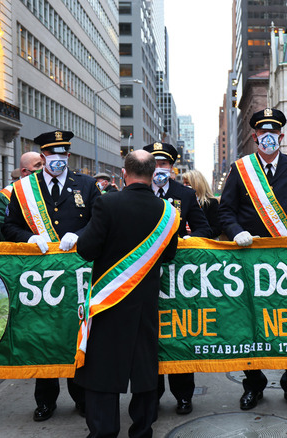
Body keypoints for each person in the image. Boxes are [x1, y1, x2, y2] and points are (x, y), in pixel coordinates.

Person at [219, 107, 287, 411]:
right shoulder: (241, 169)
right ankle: (253, 382)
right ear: (254, 137)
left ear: (281, 135)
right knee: (250, 322)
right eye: (262, 133)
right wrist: (235, 231)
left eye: (273, 132)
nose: (268, 137)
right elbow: (225, 210)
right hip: (250, 259)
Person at [74, 150, 179, 437]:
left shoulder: (107, 203)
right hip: (145, 301)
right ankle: (142, 429)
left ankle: (104, 431)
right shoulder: (169, 212)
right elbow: (168, 255)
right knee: (144, 366)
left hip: (109, 300)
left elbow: (86, 250)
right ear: (152, 173)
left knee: (102, 368)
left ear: (124, 173)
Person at [2, 130, 99, 421]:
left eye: (63, 154)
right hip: (39, 279)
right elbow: (9, 227)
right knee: (42, 336)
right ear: (42, 157)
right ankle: (45, 401)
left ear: (68, 156)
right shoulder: (24, 188)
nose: (57, 159)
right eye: (51, 154)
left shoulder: (86, 184)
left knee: (75, 335)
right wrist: (29, 238)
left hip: (77, 276)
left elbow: (99, 221)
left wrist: (79, 235)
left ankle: (81, 398)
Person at [143, 142, 212, 415]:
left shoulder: (185, 193)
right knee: (151, 337)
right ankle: (152, 395)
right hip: (144, 275)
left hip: (179, 276)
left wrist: (186, 239)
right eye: (155, 164)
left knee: (180, 334)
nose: (160, 169)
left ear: (172, 167)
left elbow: (204, 228)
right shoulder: (138, 190)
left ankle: (184, 395)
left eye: (165, 164)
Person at [0, 152, 43, 234]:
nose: (43, 168)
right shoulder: (6, 195)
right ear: (24, 171)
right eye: (38, 165)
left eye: (44, 164)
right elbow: (1, 228)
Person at [182, 169, 222, 238]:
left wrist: (197, 234)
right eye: (184, 183)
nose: (184, 186)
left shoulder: (211, 203)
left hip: (204, 244)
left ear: (196, 184)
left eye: (187, 183)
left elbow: (217, 229)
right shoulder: (180, 202)